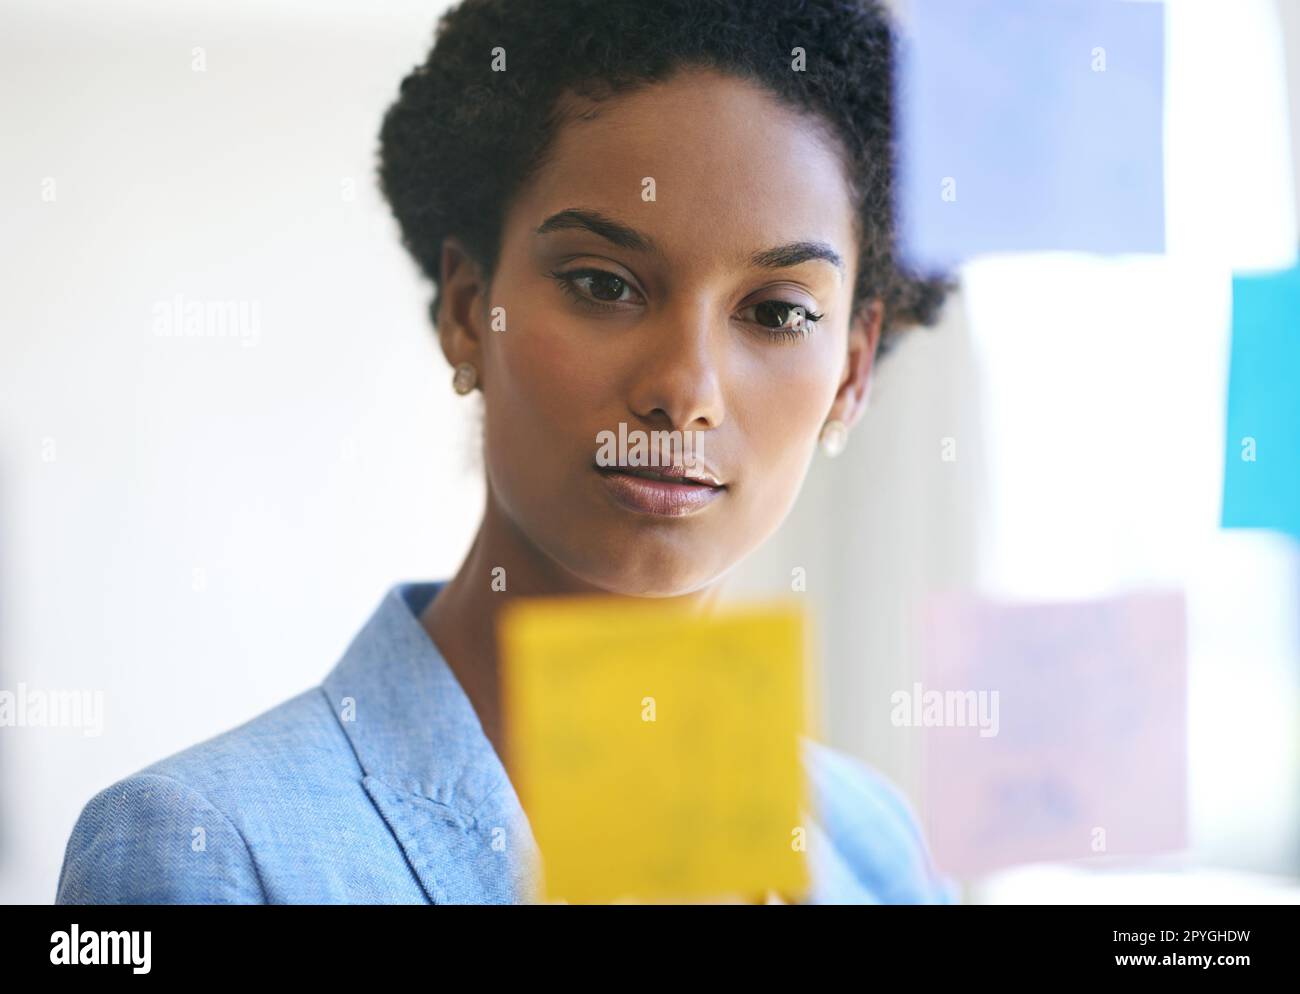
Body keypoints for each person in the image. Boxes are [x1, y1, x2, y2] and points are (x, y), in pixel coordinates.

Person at [56, 0, 956, 904]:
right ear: (464, 309)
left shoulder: (874, 848)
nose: (686, 390)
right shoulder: (204, 846)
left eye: (776, 312)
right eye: (603, 284)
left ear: (851, 368)